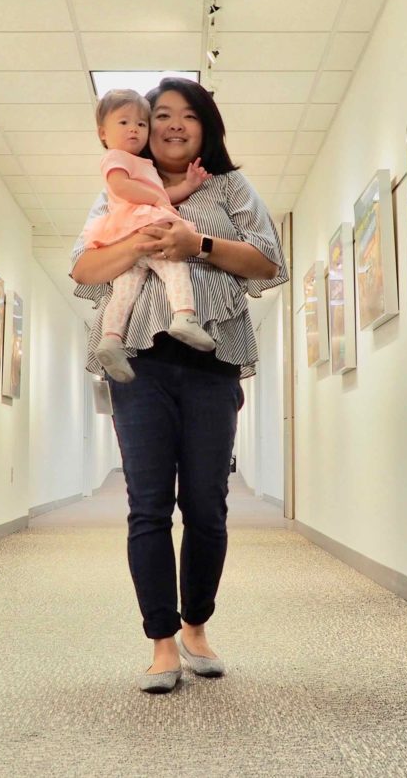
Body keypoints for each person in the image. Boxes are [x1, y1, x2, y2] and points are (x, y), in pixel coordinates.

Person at [70, 78, 287, 693]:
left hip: (212, 363)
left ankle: (196, 626)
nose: (170, 124)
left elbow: (268, 262)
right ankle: (161, 643)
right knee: (147, 507)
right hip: (137, 364)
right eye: (159, 114)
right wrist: (140, 239)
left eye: (186, 116)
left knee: (208, 507)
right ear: (137, 125)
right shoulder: (117, 189)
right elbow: (85, 268)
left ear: (205, 126)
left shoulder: (229, 188)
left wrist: (199, 244)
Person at [83, 89, 216, 383]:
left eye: (141, 124)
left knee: (125, 290)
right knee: (175, 267)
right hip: (142, 226)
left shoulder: (143, 166)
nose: (134, 129)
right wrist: (156, 202)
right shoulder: (115, 158)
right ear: (103, 133)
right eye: (124, 123)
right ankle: (184, 315)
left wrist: (187, 187)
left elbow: (163, 195)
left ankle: (112, 339)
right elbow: (120, 187)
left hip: (128, 234)